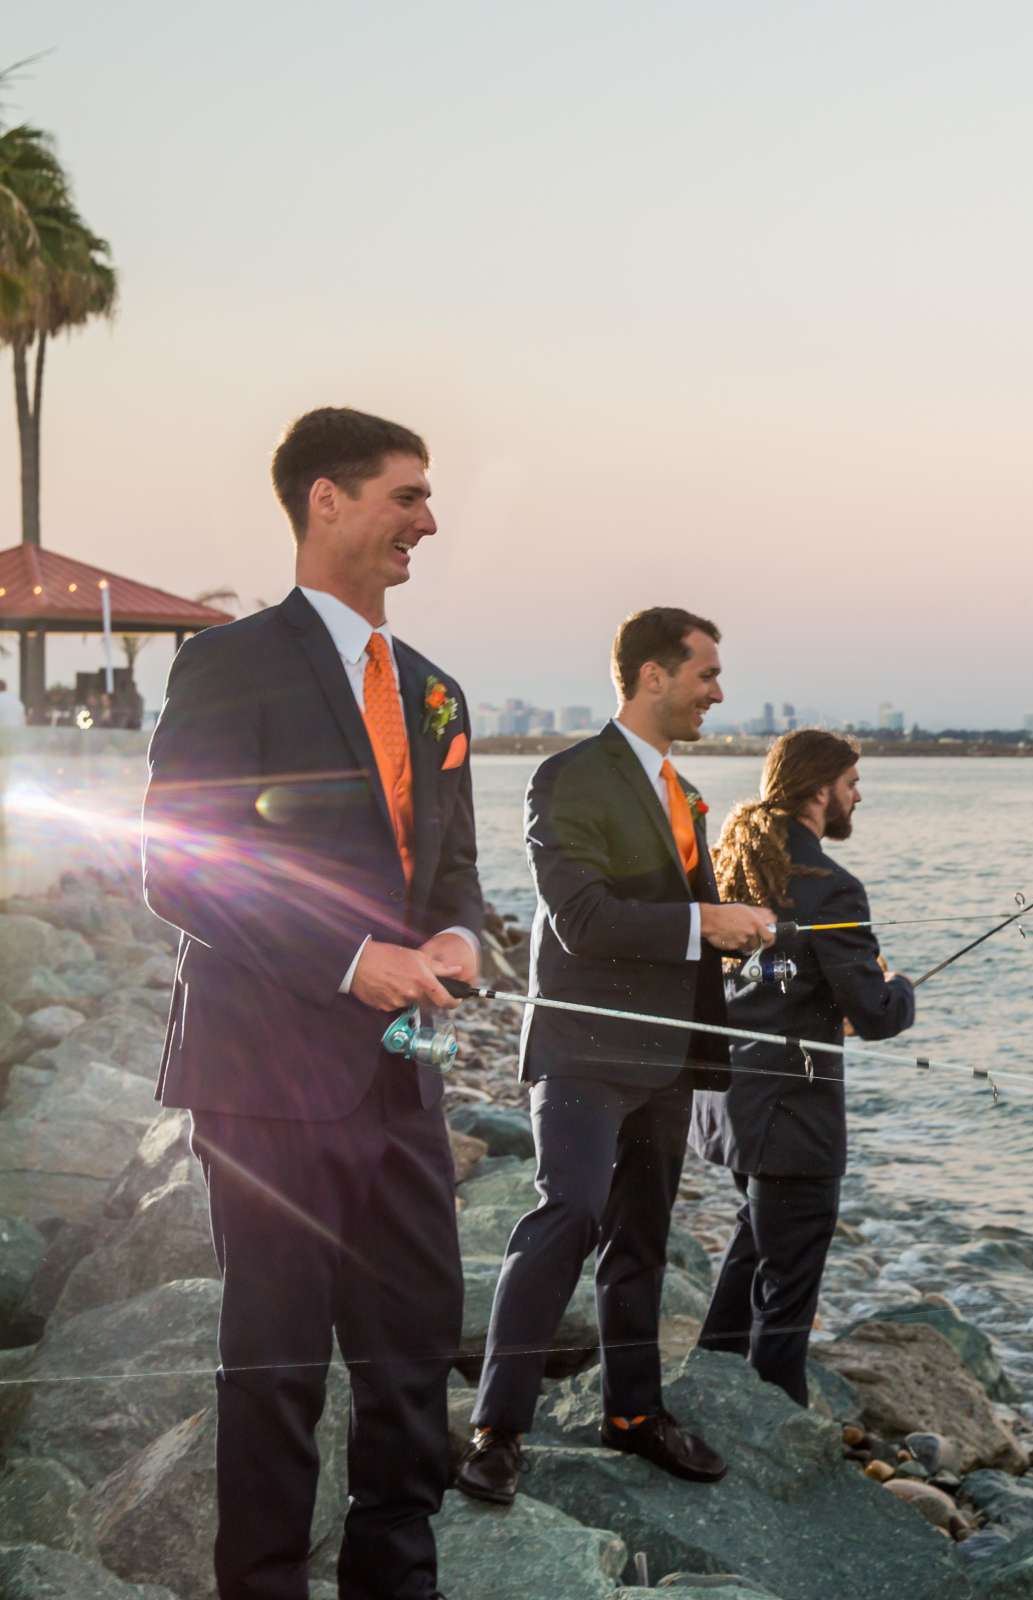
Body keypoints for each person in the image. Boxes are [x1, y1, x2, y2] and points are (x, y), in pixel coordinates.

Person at [141, 407, 481, 1600]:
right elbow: (179, 867)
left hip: (404, 1068)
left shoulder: (435, 693)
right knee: (276, 1364)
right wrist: (350, 957)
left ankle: (399, 1582)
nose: (427, 522)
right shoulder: (229, 662)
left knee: (413, 1351)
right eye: (407, 495)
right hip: (266, 1073)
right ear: (324, 499)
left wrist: (455, 936)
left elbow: (458, 880)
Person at [456, 607, 777, 1506]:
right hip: (585, 1047)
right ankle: (495, 1429)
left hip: (670, 1054)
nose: (719, 691)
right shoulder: (568, 777)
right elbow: (582, 917)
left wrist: (733, 937)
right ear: (650, 676)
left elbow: (680, 924)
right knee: (566, 1217)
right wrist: (702, 923)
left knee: (639, 1242)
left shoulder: (685, 793)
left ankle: (633, 1415)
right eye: (706, 674)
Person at [691, 731, 913, 1404]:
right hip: (794, 1115)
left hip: (730, 1101)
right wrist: (898, 986)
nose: (857, 795)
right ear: (819, 791)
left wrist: (827, 1001)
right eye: (851, 783)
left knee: (756, 1241)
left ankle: (710, 1379)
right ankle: (777, 1424)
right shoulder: (831, 890)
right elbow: (874, 1013)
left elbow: (764, 981)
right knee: (788, 1291)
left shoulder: (729, 863)